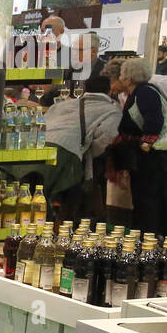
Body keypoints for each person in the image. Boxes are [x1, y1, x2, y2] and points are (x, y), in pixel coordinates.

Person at [108, 57, 167, 239]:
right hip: (159, 149)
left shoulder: (145, 92)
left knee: (164, 189)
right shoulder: (137, 92)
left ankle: (161, 232)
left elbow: (155, 120)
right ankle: (153, 231)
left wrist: (145, 146)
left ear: (128, 78)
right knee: (154, 190)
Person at [43, 72, 121, 224]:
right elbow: (106, 139)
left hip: (39, 148)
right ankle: (64, 230)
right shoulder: (111, 110)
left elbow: (44, 121)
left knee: (40, 194)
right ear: (109, 90)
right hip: (67, 153)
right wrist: (88, 152)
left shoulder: (64, 104)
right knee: (69, 198)